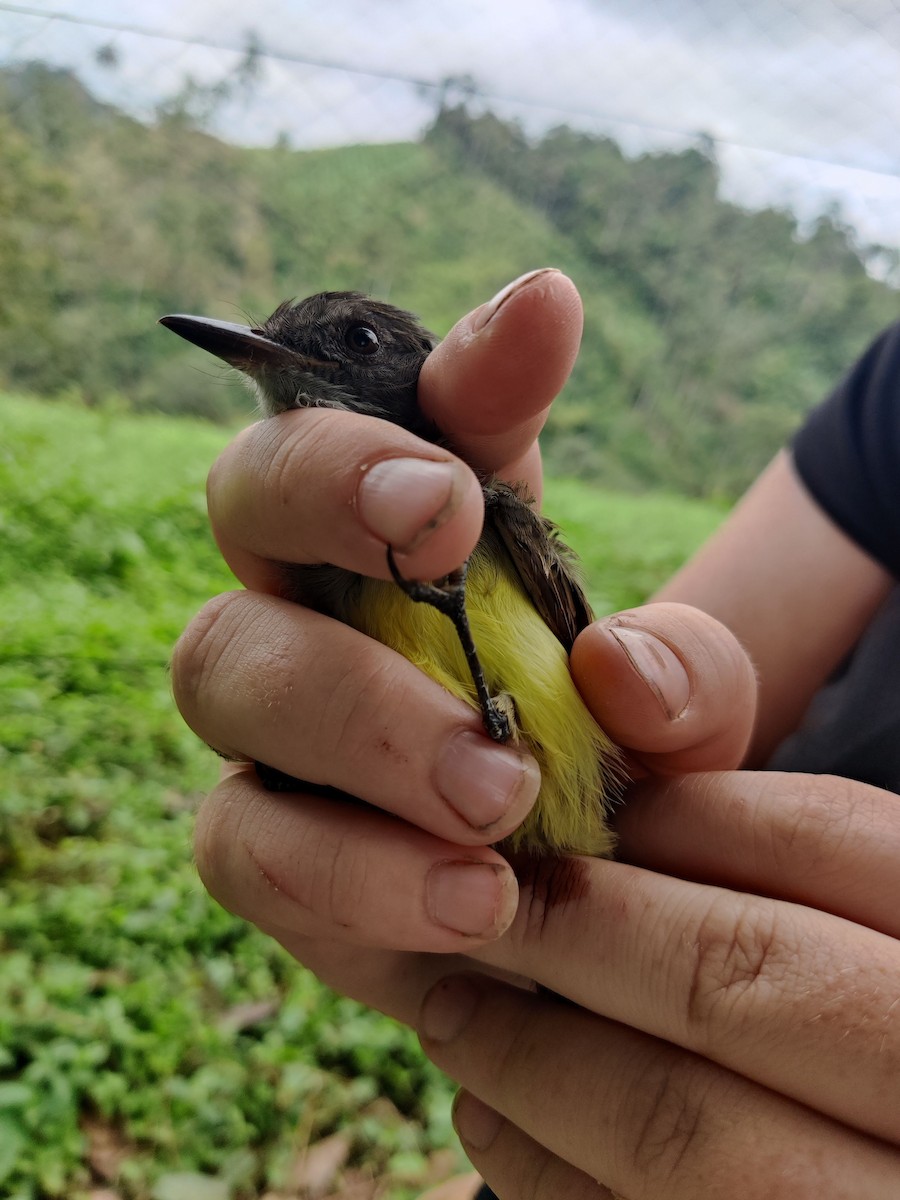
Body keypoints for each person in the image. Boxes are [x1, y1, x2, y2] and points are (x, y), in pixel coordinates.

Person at [171, 269, 900, 1198]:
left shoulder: (490, 518)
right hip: (537, 949)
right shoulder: (364, 543)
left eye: (354, 344)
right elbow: (653, 713)